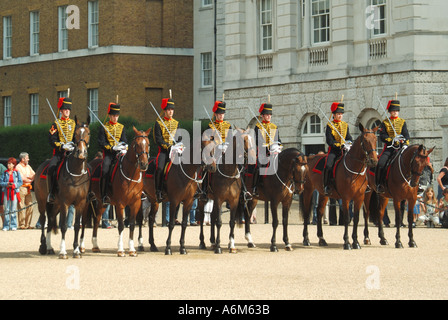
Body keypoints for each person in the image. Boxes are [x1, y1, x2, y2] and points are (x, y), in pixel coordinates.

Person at [247, 102, 282, 197]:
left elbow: (278, 139)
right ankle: (255, 187)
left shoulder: (274, 127)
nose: (269, 116)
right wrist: (268, 150)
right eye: (267, 114)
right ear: (262, 116)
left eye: (270, 114)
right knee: (258, 166)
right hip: (263, 152)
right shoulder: (258, 127)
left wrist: (278, 146)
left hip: (274, 152)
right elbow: (258, 141)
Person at [375, 99, 410, 194]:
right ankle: (379, 184)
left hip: (401, 148)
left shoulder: (402, 122)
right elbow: (382, 136)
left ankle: (414, 185)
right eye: (393, 111)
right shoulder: (385, 122)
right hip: (390, 148)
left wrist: (405, 143)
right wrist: (392, 139)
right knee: (381, 164)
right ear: (390, 112)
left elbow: (406, 135)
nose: (395, 112)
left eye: (397, 111)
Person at [201, 100, 232, 200]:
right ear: (215, 114)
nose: (221, 116)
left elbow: (231, 139)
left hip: (227, 151)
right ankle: (205, 191)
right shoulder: (210, 126)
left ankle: (241, 191)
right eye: (219, 114)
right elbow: (207, 142)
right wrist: (217, 145)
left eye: (222, 114)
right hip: (215, 152)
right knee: (208, 168)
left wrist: (227, 145)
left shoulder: (228, 125)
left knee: (239, 167)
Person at [98, 102, 128, 205]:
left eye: (116, 116)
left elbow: (124, 140)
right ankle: (104, 194)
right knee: (105, 169)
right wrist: (112, 148)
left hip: (120, 154)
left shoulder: (121, 127)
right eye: (113, 116)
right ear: (110, 116)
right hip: (109, 154)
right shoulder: (104, 126)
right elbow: (101, 143)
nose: (115, 118)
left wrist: (124, 146)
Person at [47, 97, 76, 203]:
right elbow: (52, 140)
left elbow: (77, 138)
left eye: (68, 109)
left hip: (72, 153)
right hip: (59, 153)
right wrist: (62, 146)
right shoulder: (56, 124)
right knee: (51, 168)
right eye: (65, 109)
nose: (67, 111)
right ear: (61, 111)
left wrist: (74, 146)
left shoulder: (73, 123)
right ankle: (52, 192)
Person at [153, 97, 181, 203]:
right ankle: (158, 191)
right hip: (164, 152)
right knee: (160, 168)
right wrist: (169, 147)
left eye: (172, 110)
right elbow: (158, 140)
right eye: (168, 109)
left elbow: (179, 138)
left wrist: (179, 145)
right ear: (164, 111)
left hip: (175, 151)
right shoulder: (159, 123)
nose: (170, 112)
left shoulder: (176, 123)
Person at [323, 101, 353, 195]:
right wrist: (339, 145)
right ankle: (327, 185)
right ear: (334, 115)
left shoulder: (345, 125)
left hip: (345, 151)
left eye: (341, 114)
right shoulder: (330, 125)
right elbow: (329, 140)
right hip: (334, 151)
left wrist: (349, 143)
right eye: (338, 114)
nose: (340, 116)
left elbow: (348, 137)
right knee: (328, 165)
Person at [0, 158, 23, 231]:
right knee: (6, 209)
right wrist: (7, 184)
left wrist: (15, 185)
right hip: (6, 192)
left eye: (10, 163)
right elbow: (1, 182)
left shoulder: (16, 172)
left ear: (14, 165)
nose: (8, 165)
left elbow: (20, 182)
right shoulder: (5, 173)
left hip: (14, 192)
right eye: (8, 163)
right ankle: (6, 225)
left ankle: (13, 225)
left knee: (13, 209)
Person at [15, 152, 35, 229]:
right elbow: (21, 178)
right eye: (27, 158)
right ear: (23, 159)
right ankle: (22, 224)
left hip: (28, 188)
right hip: (21, 188)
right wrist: (28, 177)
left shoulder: (28, 166)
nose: (28, 159)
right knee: (21, 206)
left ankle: (28, 224)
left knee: (30, 205)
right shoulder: (18, 167)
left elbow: (34, 175)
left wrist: (29, 179)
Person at [0, 162, 6, 227]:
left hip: (0, 189)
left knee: (1, 207)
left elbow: (6, 173)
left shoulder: (1, 166)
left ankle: (4, 223)